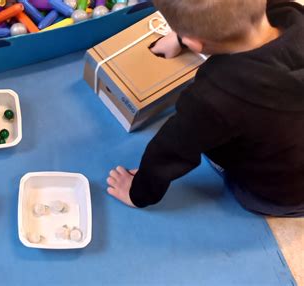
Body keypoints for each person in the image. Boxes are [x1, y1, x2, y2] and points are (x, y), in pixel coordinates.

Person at [107, 0, 304, 216]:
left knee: (216, 141)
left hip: (282, 193)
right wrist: (185, 36)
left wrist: (139, 192)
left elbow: (172, 149)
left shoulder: (214, 97)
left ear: (196, 43)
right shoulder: (291, 13)